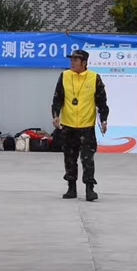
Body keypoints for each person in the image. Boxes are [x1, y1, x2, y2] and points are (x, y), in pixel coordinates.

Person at [52, 48, 109, 201]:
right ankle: (71, 188)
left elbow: (102, 101)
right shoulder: (64, 76)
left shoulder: (94, 78)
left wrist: (103, 120)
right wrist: (56, 116)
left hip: (86, 127)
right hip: (68, 125)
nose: (72, 62)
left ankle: (90, 189)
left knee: (87, 159)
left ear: (84, 63)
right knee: (69, 158)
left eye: (75, 60)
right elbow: (57, 99)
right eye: (71, 59)